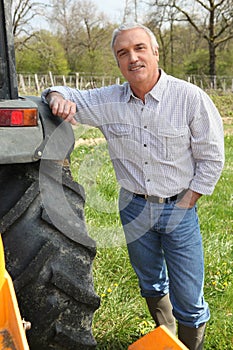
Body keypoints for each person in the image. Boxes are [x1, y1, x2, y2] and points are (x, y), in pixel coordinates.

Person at [41, 23, 224, 349]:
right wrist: (56, 96)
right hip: (134, 207)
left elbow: (212, 159)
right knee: (150, 282)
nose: (133, 58)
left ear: (155, 52)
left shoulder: (189, 98)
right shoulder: (108, 99)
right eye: (122, 53)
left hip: (178, 207)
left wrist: (186, 203)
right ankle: (164, 339)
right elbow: (65, 94)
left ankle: (189, 345)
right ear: (117, 61)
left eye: (140, 48)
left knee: (189, 297)